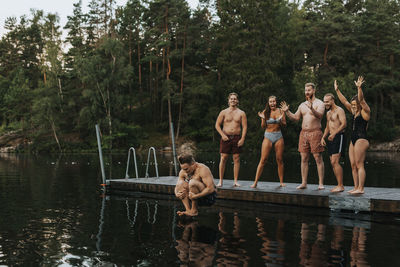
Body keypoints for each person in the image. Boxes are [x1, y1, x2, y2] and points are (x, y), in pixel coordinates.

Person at [280, 83, 325, 190]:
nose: (307, 92)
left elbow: (320, 115)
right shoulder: (302, 105)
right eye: (305, 90)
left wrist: (312, 108)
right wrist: (287, 111)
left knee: (318, 157)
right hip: (303, 133)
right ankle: (304, 183)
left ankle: (321, 183)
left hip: (315, 132)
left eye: (309, 90)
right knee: (304, 158)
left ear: (313, 90)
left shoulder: (320, 103)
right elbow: (295, 118)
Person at [334, 77, 370, 194]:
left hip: (361, 139)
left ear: (359, 104)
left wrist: (359, 88)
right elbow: (344, 101)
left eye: (355, 104)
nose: (353, 106)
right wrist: (337, 90)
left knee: (360, 164)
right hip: (353, 140)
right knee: (353, 165)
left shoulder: (365, 112)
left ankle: (361, 188)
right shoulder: (353, 112)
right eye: (352, 104)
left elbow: (362, 100)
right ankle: (355, 187)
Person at [251, 95, 286, 188]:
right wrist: (262, 118)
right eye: (270, 102)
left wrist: (280, 120)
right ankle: (255, 182)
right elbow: (263, 127)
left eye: (274, 101)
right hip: (268, 135)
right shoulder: (265, 112)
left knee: (279, 159)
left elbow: (284, 124)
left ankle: (281, 182)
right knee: (263, 160)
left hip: (278, 135)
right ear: (268, 103)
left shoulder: (281, 111)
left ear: (276, 102)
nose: (272, 103)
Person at [215, 92, 247, 187]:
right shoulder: (223, 112)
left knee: (236, 159)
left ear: (237, 101)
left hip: (237, 137)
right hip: (226, 137)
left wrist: (242, 138)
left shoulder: (241, 113)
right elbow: (217, 125)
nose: (233, 100)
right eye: (231, 99)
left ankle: (235, 181)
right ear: (228, 101)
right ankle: (220, 180)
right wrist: (222, 135)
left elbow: (244, 127)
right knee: (223, 158)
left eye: (235, 99)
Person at [321, 93, 347, 192]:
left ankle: (341, 185)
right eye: (324, 102)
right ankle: (338, 184)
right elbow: (327, 127)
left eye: (327, 101)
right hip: (331, 138)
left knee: (335, 161)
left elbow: (344, 124)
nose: (325, 103)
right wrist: (323, 137)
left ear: (332, 100)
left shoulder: (339, 110)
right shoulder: (328, 113)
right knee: (332, 163)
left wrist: (334, 134)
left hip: (339, 137)